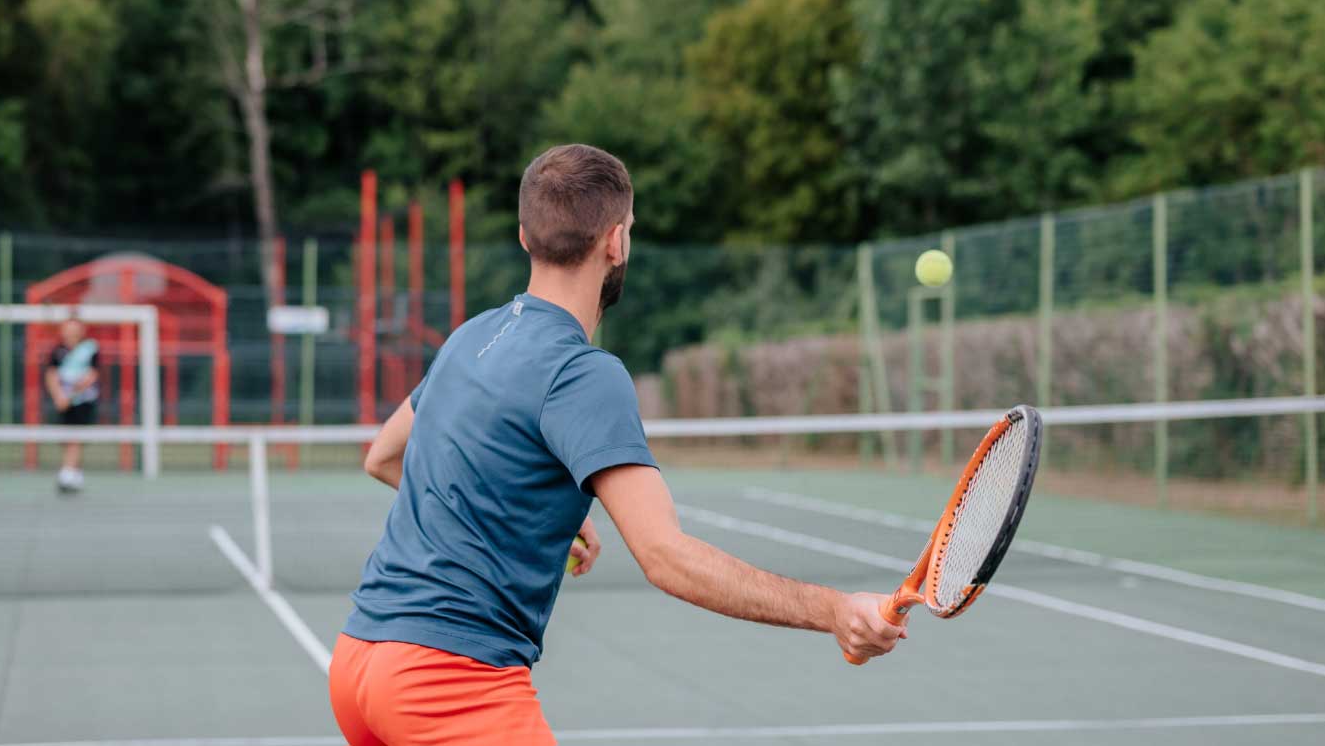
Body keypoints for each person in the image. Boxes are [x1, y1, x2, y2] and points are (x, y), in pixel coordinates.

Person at [329, 144, 905, 746]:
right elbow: (666, 556)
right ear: (616, 243)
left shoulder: (471, 336)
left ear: (526, 236)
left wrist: (521, 516)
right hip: (448, 683)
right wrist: (835, 612)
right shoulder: (583, 373)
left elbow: (385, 457)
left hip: (359, 663)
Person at [44, 315, 100, 494]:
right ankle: (74, 472)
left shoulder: (90, 349)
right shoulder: (58, 350)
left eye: (74, 328)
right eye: (68, 328)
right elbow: (51, 375)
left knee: (76, 437)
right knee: (66, 439)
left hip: (83, 401)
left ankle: (67, 473)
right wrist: (59, 397)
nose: (71, 332)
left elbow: (91, 375)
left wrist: (71, 395)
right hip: (63, 401)